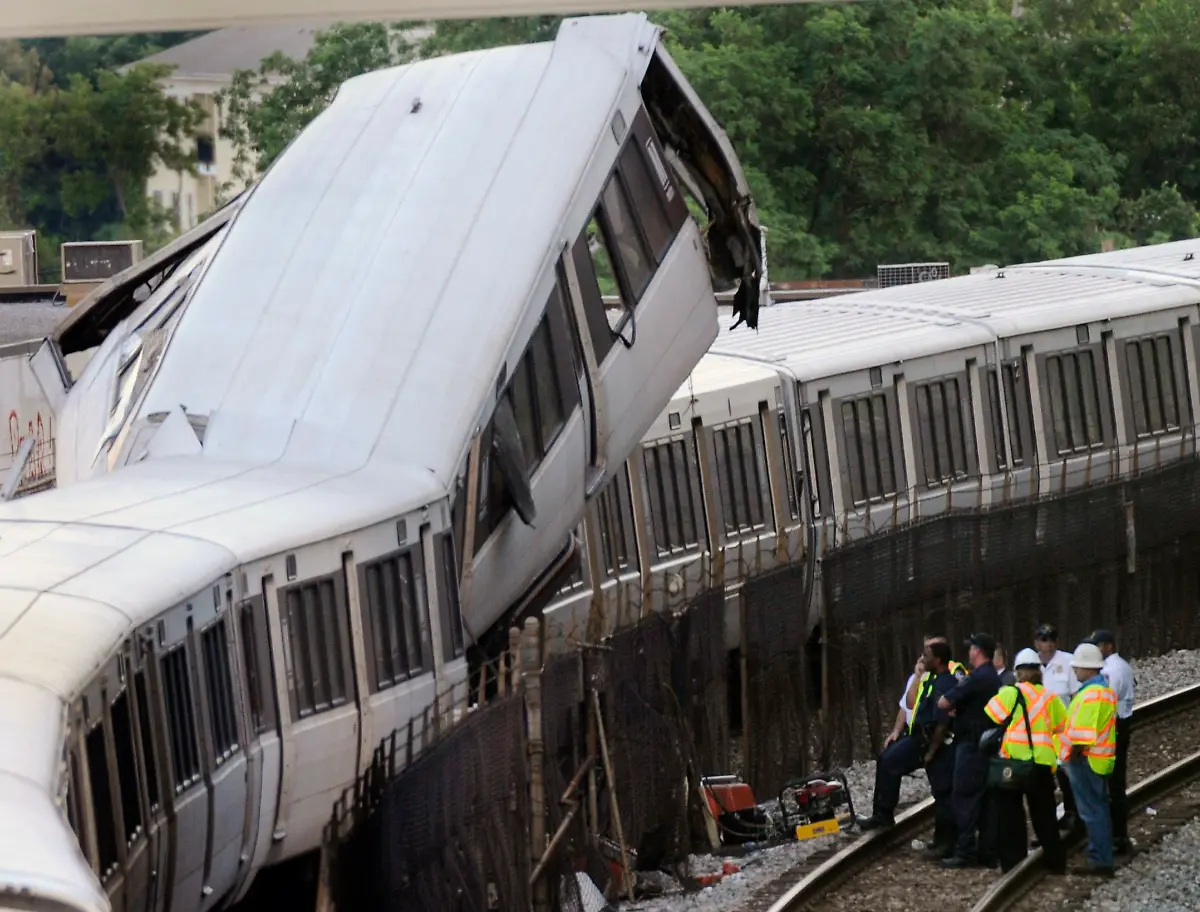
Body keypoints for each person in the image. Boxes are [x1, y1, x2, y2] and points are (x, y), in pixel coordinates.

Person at [860, 640, 960, 832]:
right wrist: (917, 676)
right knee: (886, 759)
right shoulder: (929, 679)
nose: (922, 658)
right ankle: (881, 814)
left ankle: (885, 816)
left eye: (927, 655)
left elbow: (942, 722)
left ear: (938, 660)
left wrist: (931, 751)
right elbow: (909, 703)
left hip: (928, 740)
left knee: (941, 791)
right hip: (917, 735)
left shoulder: (946, 683)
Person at [983, 648, 1067, 875]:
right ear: (1039, 671)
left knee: (1010, 816)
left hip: (1013, 765)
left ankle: (1013, 864)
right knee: (1045, 817)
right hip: (1041, 765)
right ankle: (1056, 863)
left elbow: (991, 715)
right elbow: (1061, 727)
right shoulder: (1050, 698)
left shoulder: (1010, 693)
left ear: (1017, 672)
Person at [937, 633, 1001, 868]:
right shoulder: (993, 677)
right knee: (985, 799)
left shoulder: (976, 677)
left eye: (972, 648)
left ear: (978, 651)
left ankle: (965, 850)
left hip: (971, 745)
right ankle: (987, 850)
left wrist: (954, 704)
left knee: (964, 796)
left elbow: (944, 702)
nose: (969, 651)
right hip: (986, 743)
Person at [1060, 642, 1118, 878]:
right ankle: (1102, 856)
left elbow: (1082, 735)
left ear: (1089, 668)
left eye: (1078, 666)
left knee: (1092, 811)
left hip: (1086, 760)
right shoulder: (1102, 691)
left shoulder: (1091, 694)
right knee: (1099, 808)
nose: (1074, 670)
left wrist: (1071, 758)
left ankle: (1100, 860)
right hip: (1097, 759)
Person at [1089, 629, 1135, 855]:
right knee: (1116, 782)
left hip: (1114, 727)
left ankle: (1117, 836)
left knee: (1113, 784)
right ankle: (1117, 834)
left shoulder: (1111, 670)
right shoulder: (1121, 666)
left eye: (1097, 646)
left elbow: (1107, 700)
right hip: (1121, 725)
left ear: (1108, 646)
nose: (1095, 650)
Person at [1034, 623, 1080, 833]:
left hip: (1062, 728)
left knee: (1066, 773)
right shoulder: (1030, 663)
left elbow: (1076, 695)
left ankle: (1072, 812)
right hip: (1040, 731)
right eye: (1044, 640)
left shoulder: (1068, 661)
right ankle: (1049, 819)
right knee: (1044, 777)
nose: (1048, 644)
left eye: (1052, 639)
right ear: (1037, 642)